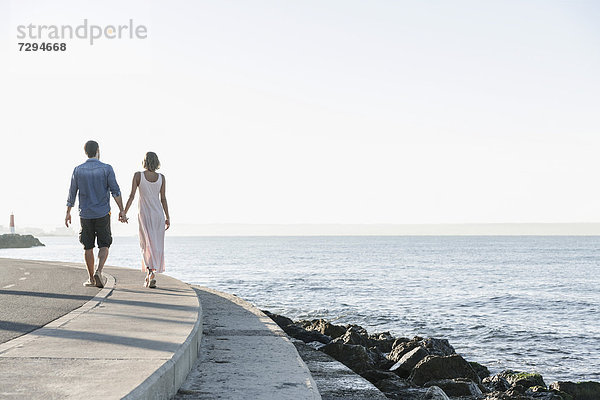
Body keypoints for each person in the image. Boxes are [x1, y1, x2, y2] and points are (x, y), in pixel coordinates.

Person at [66, 140, 126, 288]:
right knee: (104, 244)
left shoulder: (78, 170)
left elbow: (72, 193)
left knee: (88, 246)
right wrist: (122, 210)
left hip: (85, 214)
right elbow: (115, 191)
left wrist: (68, 212)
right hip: (103, 213)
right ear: (98, 150)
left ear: (85, 151)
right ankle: (98, 271)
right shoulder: (106, 169)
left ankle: (91, 279)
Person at [122, 152, 170, 288]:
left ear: (145, 161)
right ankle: (151, 273)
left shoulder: (138, 176)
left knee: (145, 244)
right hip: (158, 215)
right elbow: (163, 199)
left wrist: (124, 212)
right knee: (156, 244)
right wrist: (168, 217)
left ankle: (150, 273)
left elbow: (131, 196)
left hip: (145, 214)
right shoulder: (161, 178)